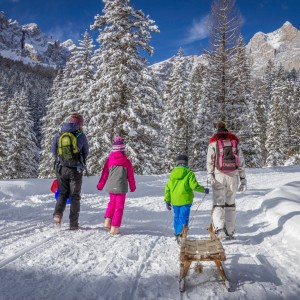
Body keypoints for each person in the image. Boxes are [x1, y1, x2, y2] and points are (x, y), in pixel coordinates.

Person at [206, 120, 247, 240]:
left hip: (218, 175)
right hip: (233, 176)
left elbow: (210, 160)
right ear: (226, 129)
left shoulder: (213, 141)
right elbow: (241, 161)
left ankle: (219, 229)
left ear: (217, 129)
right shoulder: (234, 141)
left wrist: (210, 174)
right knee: (230, 203)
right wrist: (243, 178)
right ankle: (230, 231)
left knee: (218, 202)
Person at [52, 113, 89, 230]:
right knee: (75, 196)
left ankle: (57, 215)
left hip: (61, 169)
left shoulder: (59, 134)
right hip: (75, 170)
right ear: (80, 124)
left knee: (63, 193)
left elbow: (54, 152)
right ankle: (73, 224)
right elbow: (86, 152)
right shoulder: (81, 135)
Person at [164, 154, 209, 244]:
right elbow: (194, 186)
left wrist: (167, 200)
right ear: (186, 163)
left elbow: (168, 188)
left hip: (175, 200)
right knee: (184, 217)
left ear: (177, 163)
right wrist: (203, 189)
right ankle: (182, 234)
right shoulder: (189, 173)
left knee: (177, 216)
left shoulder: (172, 174)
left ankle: (177, 232)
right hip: (185, 200)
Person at [97, 136, 136, 235]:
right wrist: (132, 187)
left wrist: (100, 185)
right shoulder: (127, 162)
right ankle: (114, 227)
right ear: (123, 150)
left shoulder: (109, 160)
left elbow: (104, 174)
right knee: (119, 206)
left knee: (111, 203)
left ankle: (107, 221)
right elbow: (130, 176)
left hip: (111, 186)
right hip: (121, 187)